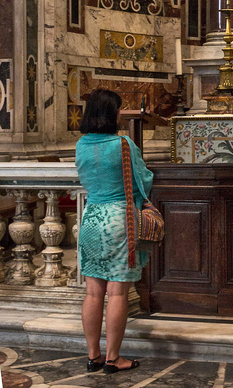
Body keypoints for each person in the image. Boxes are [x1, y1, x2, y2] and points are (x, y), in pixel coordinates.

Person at [75, 89, 153, 374]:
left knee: (93, 293)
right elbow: (143, 178)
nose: (121, 113)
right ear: (110, 113)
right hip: (119, 220)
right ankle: (113, 358)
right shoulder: (123, 144)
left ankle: (93, 355)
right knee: (118, 292)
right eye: (118, 109)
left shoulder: (81, 144)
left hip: (92, 218)